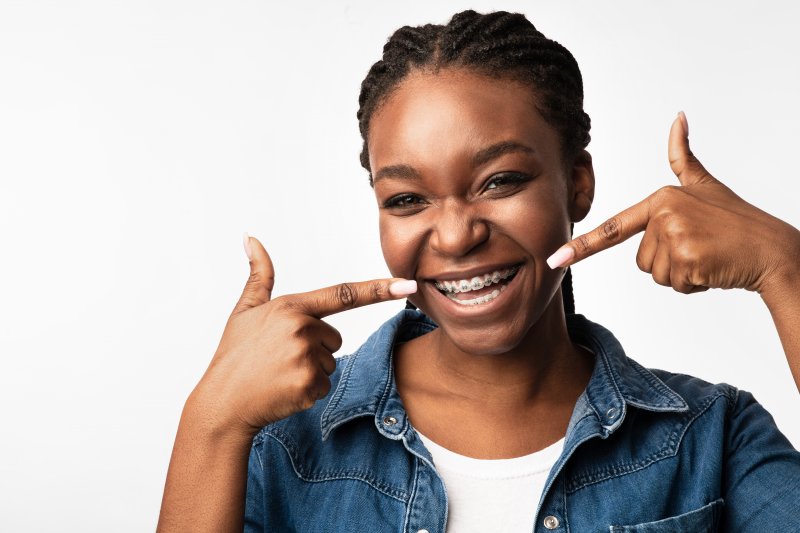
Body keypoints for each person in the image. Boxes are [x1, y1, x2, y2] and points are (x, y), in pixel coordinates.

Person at [157, 10, 800, 532]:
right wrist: (210, 420)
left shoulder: (710, 439)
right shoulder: (282, 447)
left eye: (501, 181)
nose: (457, 234)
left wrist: (785, 268)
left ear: (578, 182)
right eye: (408, 199)